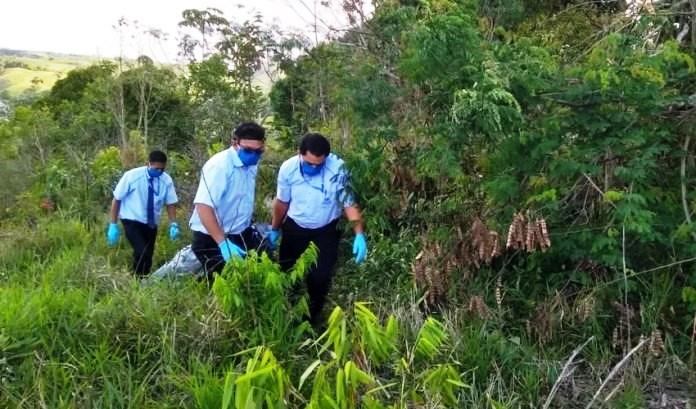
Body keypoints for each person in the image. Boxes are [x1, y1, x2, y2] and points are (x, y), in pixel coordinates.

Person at [268, 133, 368, 326]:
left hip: (326, 230)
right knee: (288, 273)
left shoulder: (338, 168)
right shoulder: (288, 169)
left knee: (320, 277)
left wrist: (359, 234)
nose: (313, 167)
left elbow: (349, 203)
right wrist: (275, 228)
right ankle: (288, 314)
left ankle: (311, 319)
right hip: (296, 227)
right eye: (309, 163)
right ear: (300, 154)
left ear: (326, 158)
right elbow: (282, 202)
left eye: (318, 164)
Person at [189, 122, 267, 282]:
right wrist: (223, 243)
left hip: (240, 232)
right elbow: (203, 207)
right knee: (228, 285)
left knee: (259, 274)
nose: (253, 155)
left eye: (258, 151)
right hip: (211, 237)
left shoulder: (252, 163)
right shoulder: (219, 166)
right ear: (235, 143)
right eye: (248, 150)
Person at [107, 150, 180, 276]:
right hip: (132, 220)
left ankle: (142, 281)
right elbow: (117, 199)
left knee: (148, 256)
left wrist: (173, 223)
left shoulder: (166, 180)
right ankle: (137, 280)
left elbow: (170, 203)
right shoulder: (132, 176)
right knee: (142, 252)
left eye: (162, 169)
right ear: (148, 164)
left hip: (151, 223)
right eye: (156, 169)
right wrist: (113, 224)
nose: (159, 172)